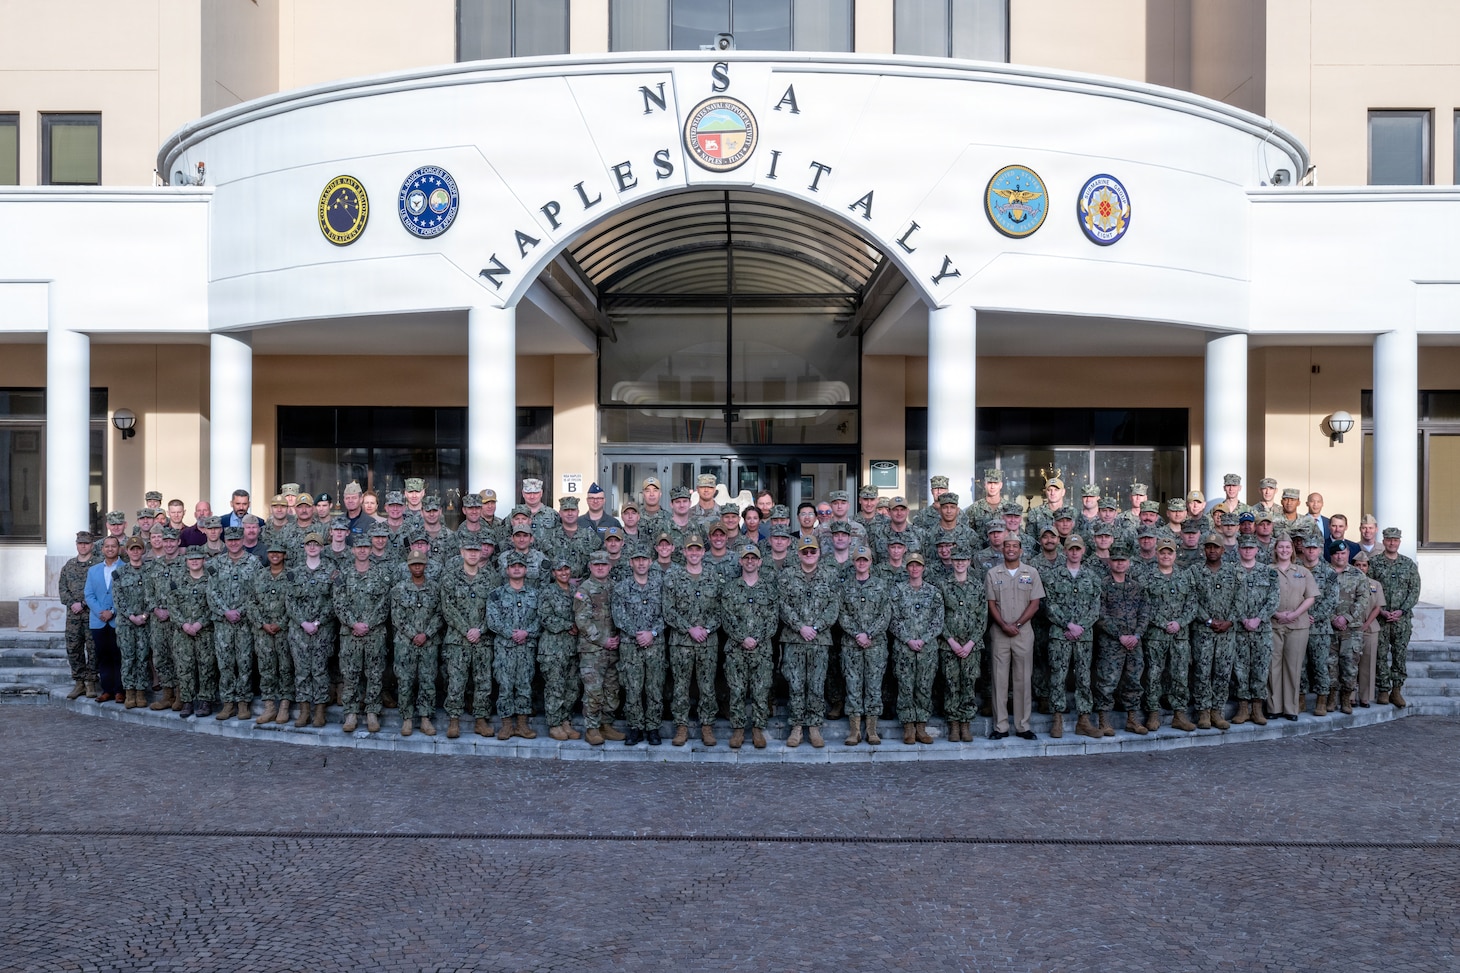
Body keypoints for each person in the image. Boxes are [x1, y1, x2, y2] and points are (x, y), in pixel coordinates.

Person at [662, 535, 723, 747]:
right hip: (681, 642)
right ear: (684, 552)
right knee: (681, 686)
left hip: (707, 641)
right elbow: (668, 609)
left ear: (703, 552)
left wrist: (706, 629)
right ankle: (681, 726)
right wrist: (689, 628)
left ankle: (707, 725)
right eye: (691, 549)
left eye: (698, 549)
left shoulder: (713, 576)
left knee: (707, 686)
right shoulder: (673, 576)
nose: (694, 553)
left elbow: (721, 608)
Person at [778, 537, 838, 748]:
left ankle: (814, 726)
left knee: (816, 684)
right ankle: (796, 726)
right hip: (794, 638)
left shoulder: (829, 576)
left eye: (813, 551)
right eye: (805, 552)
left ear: (819, 553)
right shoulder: (787, 576)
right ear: (799, 554)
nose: (809, 555)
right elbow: (782, 604)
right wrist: (800, 627)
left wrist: (816, 627)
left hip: (819, 640)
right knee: (795, 684)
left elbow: (833, 606)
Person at [719, 542, 779, 749]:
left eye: (754, 558)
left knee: (760, 690)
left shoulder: (769, 589)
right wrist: (743, 638)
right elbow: (727, 618)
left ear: (760, 562)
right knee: (736, 690)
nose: (750, 561)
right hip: (736, 649)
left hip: (762, 650)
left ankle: (757, 729)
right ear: (741, 561)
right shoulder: (730, 589)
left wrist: (757, 639)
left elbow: (773, 620)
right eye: (747, 558)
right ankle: (738, 729)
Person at [1040, 534, 1101, 738]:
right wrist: (1068, 624)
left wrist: (1080, 627)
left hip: (1083, 635)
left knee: (1084, 677)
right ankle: (1057, 718)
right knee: (1058, 676)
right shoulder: (1053, 576)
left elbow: (1095, 607)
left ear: (1083, 551)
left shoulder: (1092, 577)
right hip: (1060, 634)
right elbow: (1049, 605)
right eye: (1071, 549)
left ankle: (1084, 720)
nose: (1074, 552)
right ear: (1064, 551)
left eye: (1078, 549)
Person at [985, 535, 1043, 740]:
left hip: (1023, 633)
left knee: (1023, 680)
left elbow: (1035, 603)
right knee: (999, 680)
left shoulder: (1031, 573)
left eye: (1015, 546)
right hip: (1000, 633)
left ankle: (1022, 726)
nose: (1010, 549)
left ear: (1021, 550)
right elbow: (991, 604)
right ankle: (1000, 727)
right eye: (1007, 546)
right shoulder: (993, 573)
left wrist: (1017, 624)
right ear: (1002, 550)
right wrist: (1003, 625)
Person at [1139, 537, 1198, 732]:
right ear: (1156, 554)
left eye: (1169, 552)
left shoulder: (1185, 577)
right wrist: (1163, 623)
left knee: (1180, 675)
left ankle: (1179, 714)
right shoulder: (1147, 578)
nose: (1166, 556)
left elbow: (1192, 605)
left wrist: (1179, 622)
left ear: (1175, 555)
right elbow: (1144, 606)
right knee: (1153, 675)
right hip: (1155, 635)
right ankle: (1153, 713)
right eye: (1162, 552)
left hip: (1179, 635)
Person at [440, 537, 497, 740]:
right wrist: (466, 630)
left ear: (481, 553)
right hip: (458, 639)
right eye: (469, 550)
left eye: (476, 550)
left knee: (483, 681)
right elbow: (447, 608)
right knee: (456, 681)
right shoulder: (450, 578)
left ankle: (481, 720)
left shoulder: (491, 579)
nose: (473, 554)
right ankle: (454, 720)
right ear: (462, 552)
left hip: (482, 639)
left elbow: (494, 608)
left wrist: (480, 630)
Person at [335, 534, 392, 733]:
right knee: (350, 674)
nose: (362, 550)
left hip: (374, 633)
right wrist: (354, 624)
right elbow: (339, 603)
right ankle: (351, 712)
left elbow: (385, 603)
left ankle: (372, 712)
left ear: (370, 550)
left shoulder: (380, 574)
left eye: (365, 547)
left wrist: (368, 624)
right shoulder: (344, 574)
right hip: (350, 634)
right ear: (353, 550)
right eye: (358, 547)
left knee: (375, 674)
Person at [612, 544, 667, 745]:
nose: (641, 563)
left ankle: (653, 728)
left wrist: (651, 633)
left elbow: (667, 613)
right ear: (631, 563)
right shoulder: (621, 588)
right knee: (633, 688)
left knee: (655, 687)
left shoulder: (660, 585)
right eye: (637, 559)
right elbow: (619, 616)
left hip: (655, 644)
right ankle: (635, 727)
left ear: (650, 562)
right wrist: (638, 634)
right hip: (630, 645)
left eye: (644, 559)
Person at [838, 544, 892, 746]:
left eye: (865, 560)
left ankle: (871, 729)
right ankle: (854, 730)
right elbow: (841, 613)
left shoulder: (881, 585)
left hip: (875, 645)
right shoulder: (845, 587)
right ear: (853, 562)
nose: (861, 563)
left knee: (874, 687)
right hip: (851, 645)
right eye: (858, 560)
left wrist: (869, 634)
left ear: (871, 562)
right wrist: (857, 634)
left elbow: (886, 614)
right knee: (852, 686)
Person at [1093, 543, 1148, 737]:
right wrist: (1119, 635)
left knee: (1134, 680)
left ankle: (1132, 719)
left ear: (1129, 562)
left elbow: (1144, 612)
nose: (1119, 563)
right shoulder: (1102, 585)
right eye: (1116, 560)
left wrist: (1137, 634)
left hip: (1134, 642)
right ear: (1109, 562)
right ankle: (1104, 720)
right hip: (1111, 642)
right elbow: (1100, 614)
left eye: (1123, 560)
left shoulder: (1136, 587)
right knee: (1107, 681)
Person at [1190, 532, 1242, 731]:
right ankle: (1203, 711)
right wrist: (1209, 620)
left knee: (1222, 672)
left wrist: (1230, 621)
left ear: (1222, 550)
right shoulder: (1194, 571)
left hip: (1226, 632)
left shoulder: (1233, 571)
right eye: (1208, 547)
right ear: (1204, 549)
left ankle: (1217, 711)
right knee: (1202, 672)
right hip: (1203, 631)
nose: (1212, 550)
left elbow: (1240, 598)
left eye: (1216, 547)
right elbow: (1191, 600)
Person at [574, 551, 626, 745]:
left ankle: (606, 725)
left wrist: (619, 637)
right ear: (590, 567)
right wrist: (603, 640)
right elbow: (582, 620)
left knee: (611, 690)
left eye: (603, 564)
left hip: (614, 649)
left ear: (609, 566)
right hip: (592, 650)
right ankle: (592, 728)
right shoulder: (584, 589)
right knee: (593, 691)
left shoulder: (616, 587)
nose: (600, 568)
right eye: (596, 565)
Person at [209, 526, 260, 722]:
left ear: (242, 541)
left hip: (244, 622)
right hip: (223, 623)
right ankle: (228, 703)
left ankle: (243, 702)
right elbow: (211, 591)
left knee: (245, 663)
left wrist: (240, 611)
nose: (233, 543)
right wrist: (226, 611)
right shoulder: (216, 563)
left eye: (237, 540)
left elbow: (257, 592)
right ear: (226, 542)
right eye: (230, 540)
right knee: (225, 664)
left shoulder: (254, 563)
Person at [286, 532, 336, 728]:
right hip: (299, 631)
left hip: (322, 630)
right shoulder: (295, 572)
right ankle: (304, 710)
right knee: (302, 671)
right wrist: (303, 623)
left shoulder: (331, 571)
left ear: (322, 547)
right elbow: (290, 601)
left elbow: (334, 600)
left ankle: (320, 711)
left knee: (320, 670)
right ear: (304, 547)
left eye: (316, 544)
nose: (312, 547)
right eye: (309, 544)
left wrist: (317, 622)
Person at [391, 551, 443, 737]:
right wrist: (414, 635)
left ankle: (425, 718)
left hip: (429, 642)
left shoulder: (435, 588)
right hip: (405, 643)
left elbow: (440, 614)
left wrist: (426, 634)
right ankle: (407, 718)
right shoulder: (399, 589)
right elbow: (397, 616)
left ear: (425, 565)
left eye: (420, 563)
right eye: (414, 564)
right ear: (408, 566)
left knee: (427, 680)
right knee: (405, 681)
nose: (417, 567)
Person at [1267, 535, 1317, 721]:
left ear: (1293, 550)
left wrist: (1295, 614)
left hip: (1298, 625)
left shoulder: (1303, 572)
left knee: (1293, 667)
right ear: (1275, 549)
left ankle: (1290, 708)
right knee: (1273, 666)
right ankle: (1274, 707)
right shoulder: (1267, 571)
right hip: (1273, 624)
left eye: (1288, 547)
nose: (1284, 550)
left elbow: (1311, 597)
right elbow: (1261, 596)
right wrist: (1276, 614)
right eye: (1281, 547)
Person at [1369, 527, 1421, 708]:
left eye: (1395, 540)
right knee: (1380, 655)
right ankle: (1383, 689)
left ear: (1399, 542)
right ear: (1383, 541)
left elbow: (1414, 591)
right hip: (1380, 618)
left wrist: (1402, 611)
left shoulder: (1408, 564)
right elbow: (1369, 589)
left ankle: (1396, 690)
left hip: (1401, 620)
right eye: (1389, 539)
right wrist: (1381, 610)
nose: (1392, 543)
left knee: (1399, 654)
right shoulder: (1374, 563)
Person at [248, 538, 295, 725]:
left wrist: (281, 623)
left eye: (278, 552)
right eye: (271, 552)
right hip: (263, 632)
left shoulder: (291, 575)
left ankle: (284, 706)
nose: (275, 555)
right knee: (266, 668)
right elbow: (251, 602)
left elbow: (296, 602)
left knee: (285, 668)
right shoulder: (259, 575)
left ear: (284, 555)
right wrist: (262, 623)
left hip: (284, 631)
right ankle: (269, 707)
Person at [167, 547, 217, 718]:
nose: (194, 561)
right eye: (191, 559)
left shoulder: (211, 579)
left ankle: (206, 701)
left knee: (206, 667)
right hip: (183, 632)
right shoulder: (177, 580)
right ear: (186, 561)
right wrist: (183, 624)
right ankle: (187, 701)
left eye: (197, 558)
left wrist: (200, 623)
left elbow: (214, 603)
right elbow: (172, 605)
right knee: (184, 667)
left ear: (203, 560)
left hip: (205, 631)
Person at [536, 556, 582, 742]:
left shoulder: (576, 591)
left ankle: (565, 720)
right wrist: (568, 625)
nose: (564, 573)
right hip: (553, 648)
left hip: (572, 648)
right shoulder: (547, 591)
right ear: (554, 573)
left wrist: (579, 625)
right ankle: (554, 723)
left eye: (566, 569)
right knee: (555, 687)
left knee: (572, 687)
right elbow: (545, 617)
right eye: (559, 570)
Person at [111, 536, 152, 708]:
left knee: (142, 657)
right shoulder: (119, 573)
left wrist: (145, 615)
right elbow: (118, 598)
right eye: (132, 549)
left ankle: (141, 692)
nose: (135, 552)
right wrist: (131, 616)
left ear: (143, 551)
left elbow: (153, 595)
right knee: (128, 658)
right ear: (126, 551)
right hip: (126, 624)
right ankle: (129, 692)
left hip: (144, 623)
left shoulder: (150, 572)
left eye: (138, 549)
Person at [59, 530, 100, 699]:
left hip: (92, 614)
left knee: (93, 648)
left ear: (92, 545)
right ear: (76, 545)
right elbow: (63, 589)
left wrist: (83, 603)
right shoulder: (69, 565)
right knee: (73, 648)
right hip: (73, 616)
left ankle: (91, 681)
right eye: (80, 543)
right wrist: (72, 604)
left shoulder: (98, 564)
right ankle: (79, 682)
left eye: (86, 543)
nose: (83, 546)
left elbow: (100, 589)